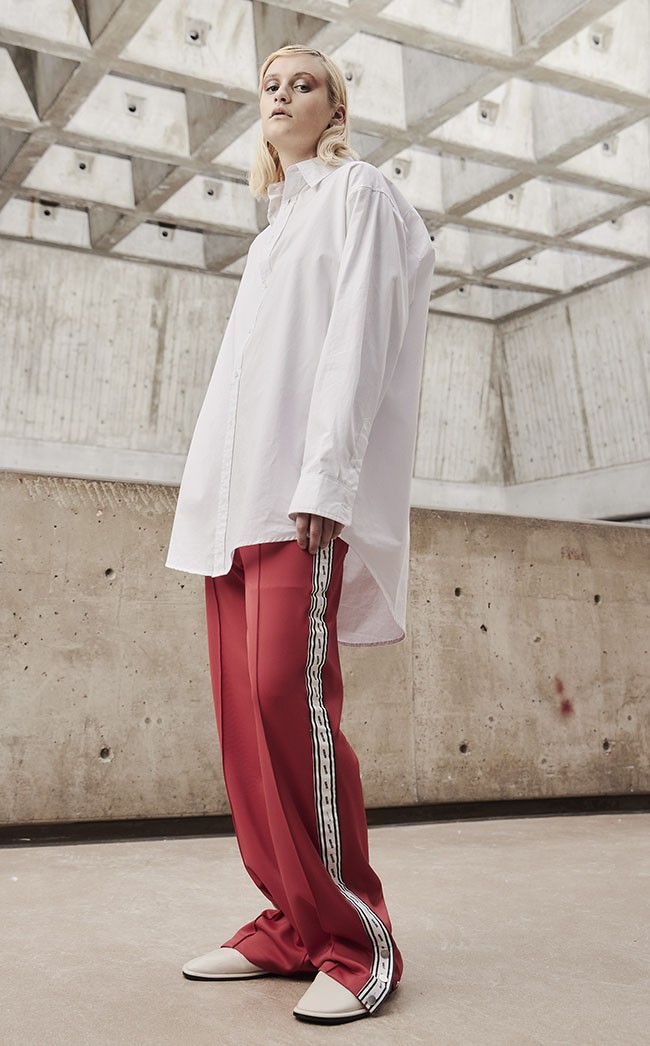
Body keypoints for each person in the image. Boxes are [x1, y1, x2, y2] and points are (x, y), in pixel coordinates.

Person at [165, 44, 435, 1025]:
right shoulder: (273, 232)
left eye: (303, 84)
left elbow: (360, 336)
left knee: (291, 699)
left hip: (294, 500)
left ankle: (357, 942)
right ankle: (289, 922)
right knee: (245, 720)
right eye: (270, 85)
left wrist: (326, 476)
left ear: (336, 110)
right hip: (229, 507)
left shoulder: (360, 194)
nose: (282, 94)